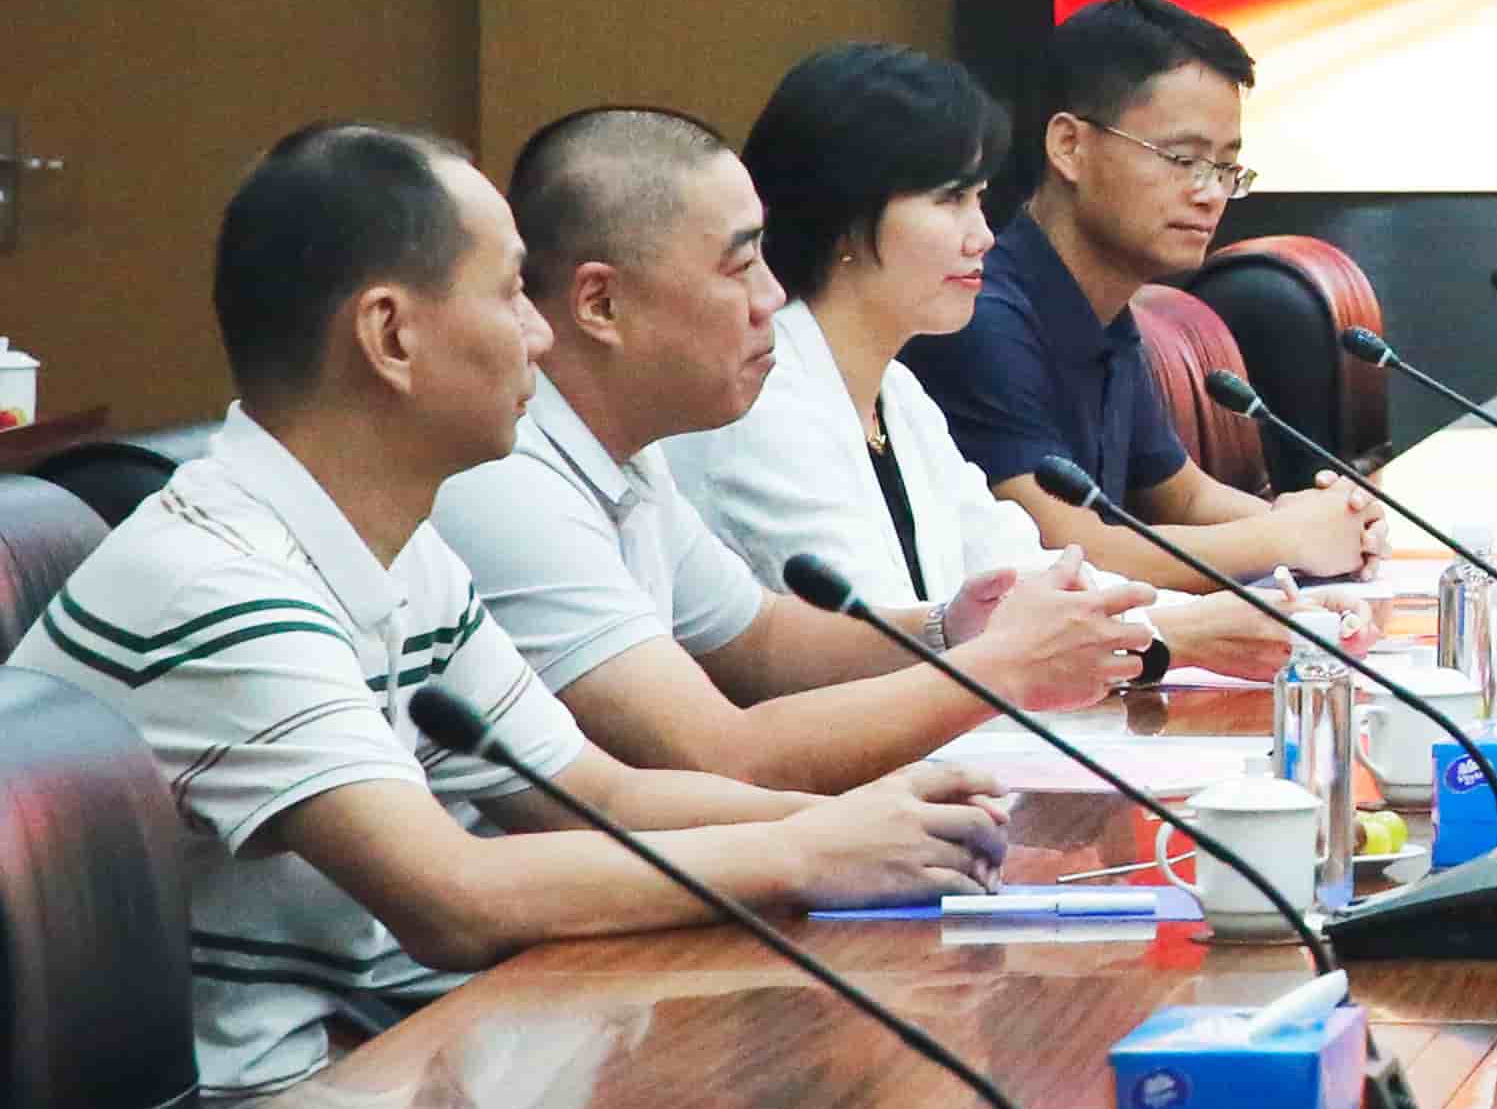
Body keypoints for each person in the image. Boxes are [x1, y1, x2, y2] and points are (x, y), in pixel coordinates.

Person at [16, 124, 1006, 1102]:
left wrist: (877, 826)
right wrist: (806, 851)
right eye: (508, 295)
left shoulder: (397, 549)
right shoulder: (223, 583)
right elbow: (451, 897)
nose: (539, 333)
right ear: (391, 336)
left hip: (381, 1068)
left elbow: (598, 793)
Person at [432, 107, 1156, 792]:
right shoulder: (508, 481)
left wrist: (951, 628)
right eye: (740, 266)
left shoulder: (627, 452)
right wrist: (1001, 667)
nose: (772, 296)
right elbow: (719, 752)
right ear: (601, 303)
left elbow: (761, 638)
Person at [675, 43, 1306, 668]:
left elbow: (1019, 570)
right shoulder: (763, 399)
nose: (981, 235)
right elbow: (885, 647)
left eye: (978, 199)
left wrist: (1251, 619)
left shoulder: (898, 392)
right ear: (844, 211)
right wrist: (1178, 636)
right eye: (950, 200)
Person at [909, 0, 1372, 593]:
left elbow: (1185, 496)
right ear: (1069, 146)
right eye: (1182, 159)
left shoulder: (1104, 307)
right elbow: (1068, 550)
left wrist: (1328, 523)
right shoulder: (981, 316)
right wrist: (1286, 538)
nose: (1210, 194)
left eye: (1226, 168)